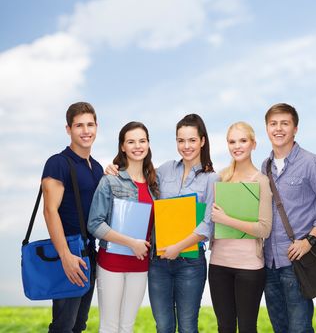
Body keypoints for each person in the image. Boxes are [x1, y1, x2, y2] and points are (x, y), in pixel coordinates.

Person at [261, 103, 316, 333]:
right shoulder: (264, 167)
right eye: (273, 124)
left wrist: (309, 241)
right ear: (266, 128)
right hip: (269, 263)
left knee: (300, 328)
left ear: (295, 128)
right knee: (280, 328)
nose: (278, 129)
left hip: (297, 263)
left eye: (284, 123)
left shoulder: (311, 163)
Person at [149, 113, 219, 333]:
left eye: (191, 140)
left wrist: (177, 248)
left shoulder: (212, 179)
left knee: (188, 327)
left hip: (190, 263)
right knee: (163, 326)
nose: (186, 146)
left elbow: (208, 224)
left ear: (202, 141)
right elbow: (140, 183)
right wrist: (115, 168)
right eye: (181, 140)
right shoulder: (165, 169)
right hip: (159, 262)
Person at [88, 122, 159, 333]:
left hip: (140, 264)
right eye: (131, 141)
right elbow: (94, 224)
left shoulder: (155, 184)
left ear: (148, 144)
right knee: (109, 327)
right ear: (122, 147)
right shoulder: (110, 180)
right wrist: (131, 243)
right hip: (112, 263)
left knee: (127, 327)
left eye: (142, 141)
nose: (137, 146)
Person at [42, 102, 103, 333]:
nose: (85, 131)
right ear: (68, 129)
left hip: (90, 254)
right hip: (69, 254)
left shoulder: (96, 168)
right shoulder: (58, 163)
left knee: (79, 325)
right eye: (79, 125)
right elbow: (50, 211)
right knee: (63, 326)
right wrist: (65, 255)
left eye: (90, 125)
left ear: (97, 127)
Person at [209, 121, 272, 333]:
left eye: (243, 141)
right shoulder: (221, 178)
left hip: (249, 267)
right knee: (224, 327)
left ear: (253, 144)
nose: (237, 146)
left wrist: (226, 219)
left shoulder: (261, 181)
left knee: (246, 328)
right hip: (218, 265)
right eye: (232, 141)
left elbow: (264, 229)